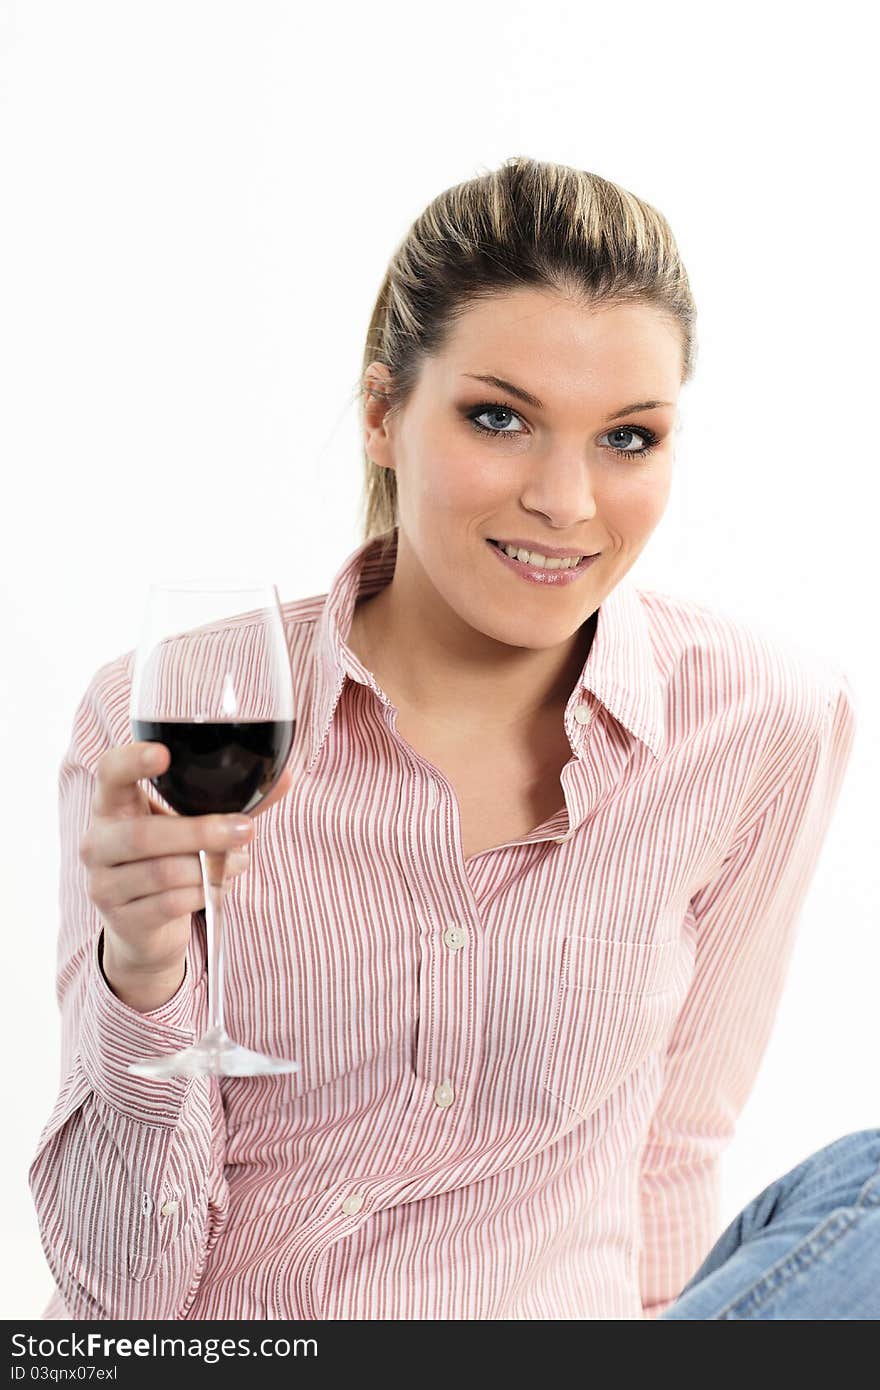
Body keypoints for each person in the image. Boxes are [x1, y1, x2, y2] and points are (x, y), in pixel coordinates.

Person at [29, 156, 869, 1321]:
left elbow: (674, 1146)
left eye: (627, 438)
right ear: (382, 415)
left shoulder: (760, 717)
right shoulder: (177, 705)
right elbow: (114, 1303)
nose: (566, 502)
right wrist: (145, 970)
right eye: (498, 418)